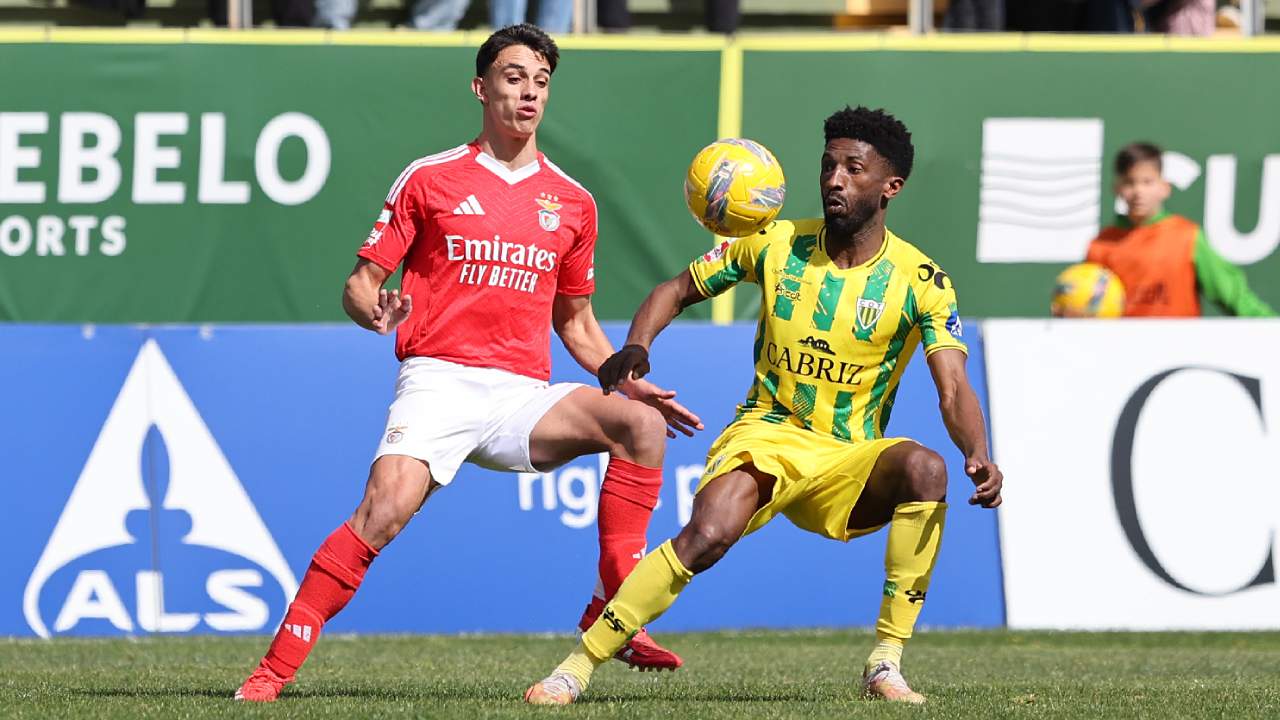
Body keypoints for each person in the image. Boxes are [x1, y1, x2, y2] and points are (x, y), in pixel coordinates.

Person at [234, 23, 704, 702]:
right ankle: (272, 672)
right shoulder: (431, 178)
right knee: (383, 511)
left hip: (521, 393)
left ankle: (615, 610)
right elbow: (360, 284)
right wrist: (375, 313)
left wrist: (628, 383)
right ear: (481, 88)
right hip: (439, 379)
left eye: (541, 82)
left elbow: (574, 323)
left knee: (642, 427)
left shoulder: (573, 201)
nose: (529, 93)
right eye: (514, 78)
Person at [525, 106, 1004, 706]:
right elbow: (676, 289)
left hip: (847, 459)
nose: (834, 180)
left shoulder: (922, 280)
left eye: (853, 169)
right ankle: (574, 669)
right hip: (766, 435)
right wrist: (637, 345)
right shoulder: (775, 242)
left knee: (926, 469)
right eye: (828, 165)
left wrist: (978, 453)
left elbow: (953, 387)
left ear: (891, 186)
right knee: (707, 535)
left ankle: (886, 663)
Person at [1086, 142, 1275, 317]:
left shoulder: (1186, 237)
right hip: (1121, 343)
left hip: (1180, 343)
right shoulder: (1100, 246)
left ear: (1165, 187)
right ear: (1116, 188)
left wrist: (1272, 328)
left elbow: (1234, 296)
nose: (1138, 192)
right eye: (1129, 182)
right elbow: (1085, 305)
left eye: (1147, 182)